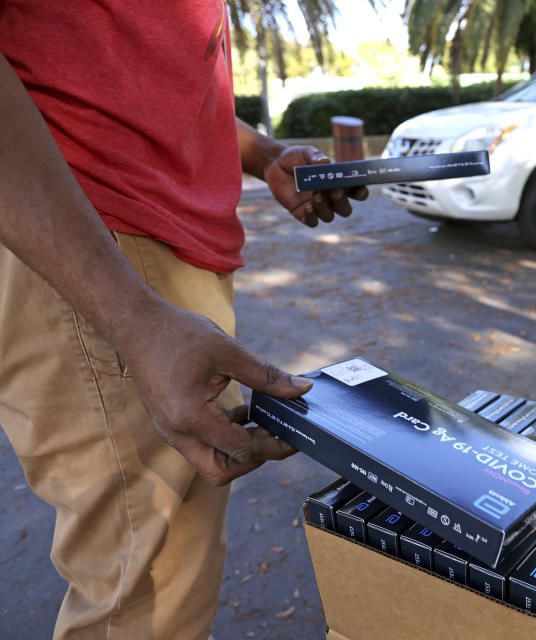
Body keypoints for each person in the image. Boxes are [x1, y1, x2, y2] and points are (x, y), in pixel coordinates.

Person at [0, 4, 367, 639]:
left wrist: (265, 155)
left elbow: (156, 79)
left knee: (161, 579)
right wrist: (133, 316)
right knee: (144, 602)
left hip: (136, 252)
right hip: (96, 243)